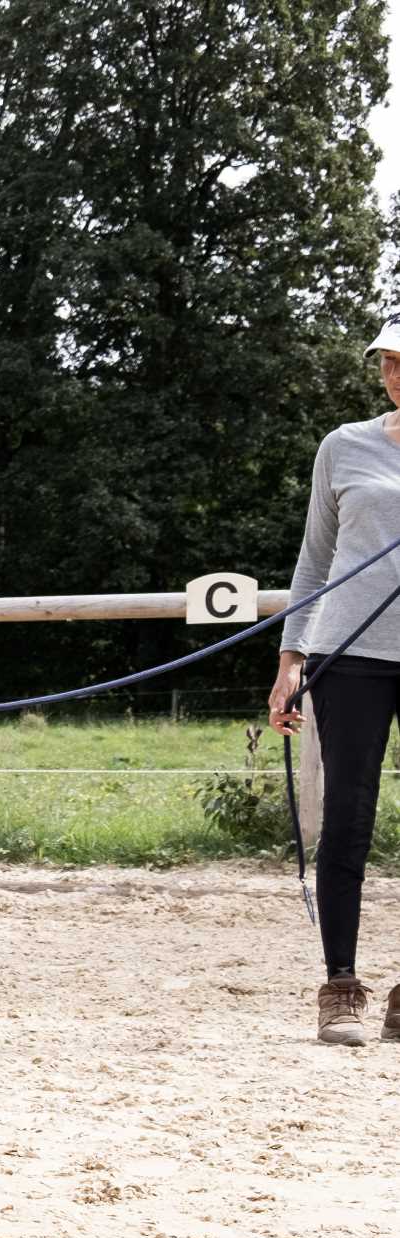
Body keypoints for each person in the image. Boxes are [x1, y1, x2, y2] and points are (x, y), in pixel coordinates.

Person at [270, 314, 400, 1046]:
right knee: (348, 818)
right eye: (389, 362)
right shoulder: (342, 447)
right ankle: (342, 986)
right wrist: (292, 656)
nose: (396, 375)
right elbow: (314, 560)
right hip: (349, 654)